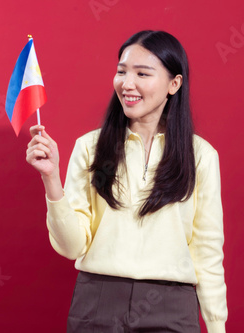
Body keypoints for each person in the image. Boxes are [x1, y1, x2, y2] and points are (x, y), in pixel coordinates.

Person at [26, 30, 227, 333]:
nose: (126, 83)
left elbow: (207, 251)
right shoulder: (91, 147)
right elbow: (71, 246)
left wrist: (216, 326)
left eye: (142, 73)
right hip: (98, 301)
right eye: (121, 71)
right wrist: (51, 178)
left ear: (174, 84)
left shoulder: (201, 156)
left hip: (172, 306)